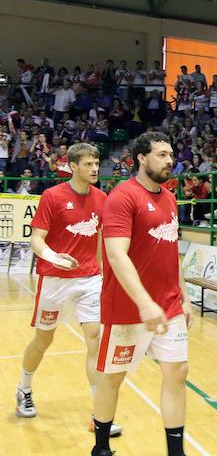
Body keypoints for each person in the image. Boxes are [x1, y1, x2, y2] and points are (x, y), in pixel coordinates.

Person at [92, 132, 192, 456]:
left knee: (177, 373)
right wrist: (144, 302)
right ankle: (102, 448)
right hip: (127, 308)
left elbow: (170, 249)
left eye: (171, 154)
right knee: (112, 378)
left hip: (169, 305)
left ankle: (176, 453)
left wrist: (184, 296)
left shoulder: (170, 197)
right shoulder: (122, 197)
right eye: (162, 154)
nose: (170, 160)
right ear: (141, 158)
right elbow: (116, 255)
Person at [15, 144, 123, 436]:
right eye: (88, 164)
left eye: (96, 163)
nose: (94, 169)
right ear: (73, 166)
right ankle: (24, 387)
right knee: (43, 340)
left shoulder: (102, 198)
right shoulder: (53, 196)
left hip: (89, 279)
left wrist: (107, 276)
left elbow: (102, 241)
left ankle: (99, 414)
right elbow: (37, 239)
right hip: (55, 279)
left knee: (95, 339)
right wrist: (53, 257)